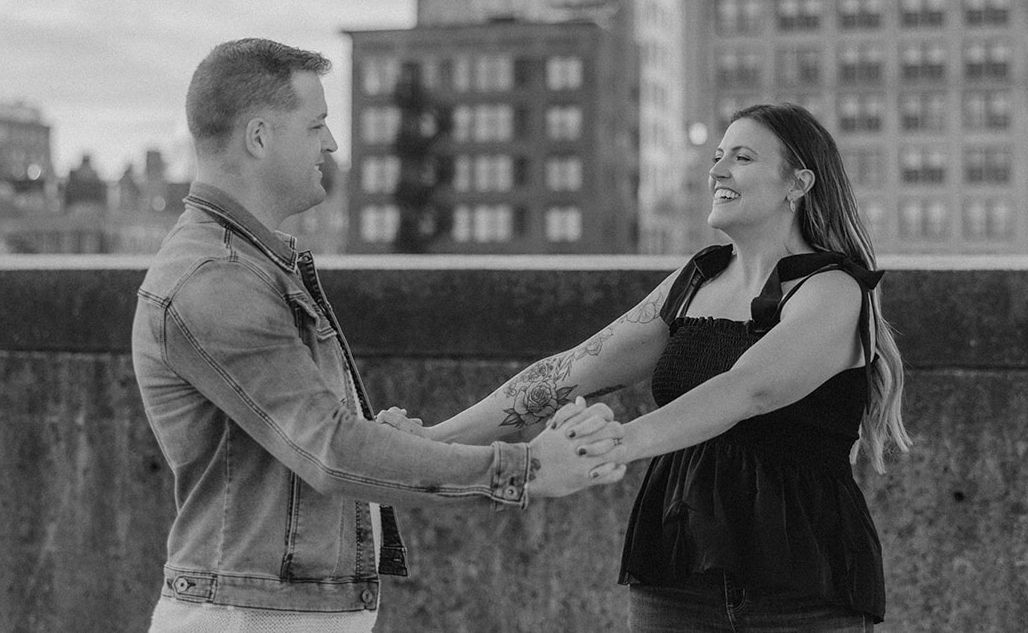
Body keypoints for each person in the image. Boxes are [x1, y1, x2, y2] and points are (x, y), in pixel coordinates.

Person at [132, 38, 625, 633]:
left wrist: (378, 439)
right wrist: (526, 469)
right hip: (249, 616)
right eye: (316, 126)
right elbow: (330, 450)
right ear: (259, 137)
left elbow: (300, 443)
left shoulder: (251, 265)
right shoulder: (217, 279)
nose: (332, 144)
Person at [380, 102, 910, 631]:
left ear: (799, 182)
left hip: (802, 575)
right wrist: (433, 441)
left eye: (742, 158)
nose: (717, 171)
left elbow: (749, 389)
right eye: (719, 156)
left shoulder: (835, 290)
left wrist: (617, 443)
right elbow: (568, 372)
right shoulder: (696, 279)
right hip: (677, 564)